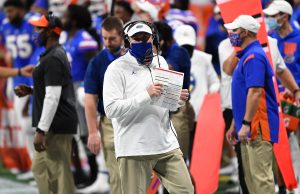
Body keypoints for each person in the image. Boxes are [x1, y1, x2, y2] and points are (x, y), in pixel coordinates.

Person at [103, 21, 194, 194]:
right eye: (137, 38)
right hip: (134, 147)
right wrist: (146, 95)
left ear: (154, 38)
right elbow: (111, 109)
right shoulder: (115, 69)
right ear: (128, 40)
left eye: (146, 37)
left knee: (186, 190)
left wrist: (177, 100)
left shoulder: (161, 61)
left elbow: (165, 104)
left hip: (165, 144)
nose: (142, 41)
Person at [15, 13, 78, 194]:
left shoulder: (53, 58)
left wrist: (41, 131)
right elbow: (54, 88)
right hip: (54, 122)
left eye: (39, 29)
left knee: (60, 173)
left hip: (56, 125)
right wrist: (32, 90)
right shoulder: (52, 54)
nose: (35, 33)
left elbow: (53, 96)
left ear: (50, 32)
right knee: (40, 169)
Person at [224, 15, 279, 194]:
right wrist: (235, 123)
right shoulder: (246, 56)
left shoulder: (253, 57)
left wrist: (246, 124)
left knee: (261, 181)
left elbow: (255, 93)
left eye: (235, 30)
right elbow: (243, 94)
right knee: (252, 181)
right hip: (248, 126)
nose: (232, 33)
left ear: (245, 32)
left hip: (257, 126)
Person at [84, 16, 123, 194]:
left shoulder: (135, 57)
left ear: (122, 36)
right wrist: (93, 132)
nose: (107, 43)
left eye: (112, 38)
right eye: (105, 38)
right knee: (116, 174)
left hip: (136, 119)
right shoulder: (97, 62)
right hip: (110, 122)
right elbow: (90, 99)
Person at [173, 24, 220, 160]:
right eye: (183, 47)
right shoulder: (170, 59)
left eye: (189, 47)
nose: (186, 51)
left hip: (200, 113)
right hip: (179, 114)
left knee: (198, 152)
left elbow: (214, 81)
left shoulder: (203, 59)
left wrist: (212, 93)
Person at [154, 21, 194, 160]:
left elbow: (167, 72)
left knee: (178, 161)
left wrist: (153, 55)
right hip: (157, 110)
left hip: (177, 111)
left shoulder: (178, 51)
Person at [264, 0, 300, 91]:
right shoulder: (269, 39)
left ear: (285, 17)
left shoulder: (298, 39)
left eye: (272, 16)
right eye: (267, 16)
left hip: (296, 94)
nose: (269, 19)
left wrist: (294, 88)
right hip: (276, 96)